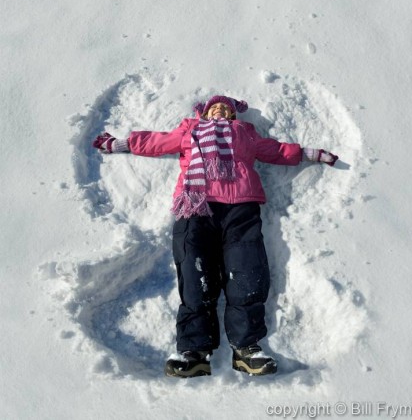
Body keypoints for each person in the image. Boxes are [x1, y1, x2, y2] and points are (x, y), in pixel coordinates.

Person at [93, 95, 338, 378]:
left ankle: (247, 349)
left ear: (234, 116)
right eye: (215, 106)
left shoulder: (245, 134)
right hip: (196, 207)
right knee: (195, 275)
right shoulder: (190, 129)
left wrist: (312, 154)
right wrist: (119, 144)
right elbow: (158, 142)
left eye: (226, 108)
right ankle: (194, 352)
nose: (221, 109)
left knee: (247, 271)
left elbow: (276, 150)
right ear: (204, 112)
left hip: (241, 209)